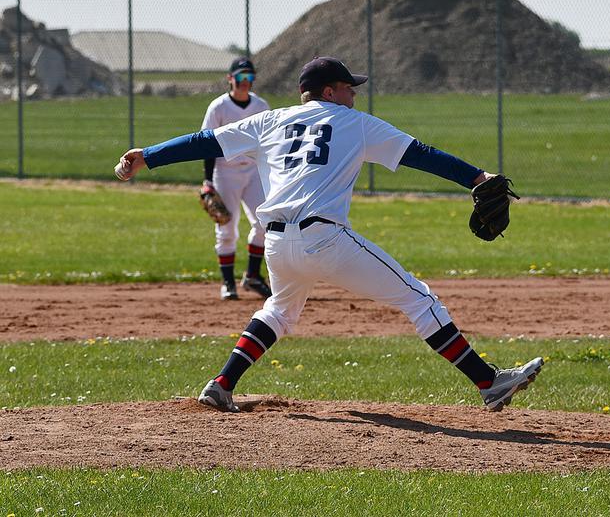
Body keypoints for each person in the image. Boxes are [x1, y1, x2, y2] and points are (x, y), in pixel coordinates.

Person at [115, 56, 543, 413]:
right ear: (329, 91)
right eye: (348, 86)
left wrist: (147, 156)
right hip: (325, 239)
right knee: (418, 298)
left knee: (280, 311)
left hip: (277, 244)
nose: (354, 93)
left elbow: (202, 141)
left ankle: (222, 384)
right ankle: (488, 383)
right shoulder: (354, 122)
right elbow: (421, 156)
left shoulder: (270, 121)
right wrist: (477, 177)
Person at [200, 57, 272, 301]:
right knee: (226, 228)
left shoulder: (261, 106)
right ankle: (228, 283)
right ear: (230, 79)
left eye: (249, 77)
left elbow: (269, 144)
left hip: (253, 171)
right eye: (240, 77)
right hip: (225, 171)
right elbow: (207, 144)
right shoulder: (218, 107)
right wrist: (208, 181)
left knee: (265, 221)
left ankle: (252, 275)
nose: (245, 82)